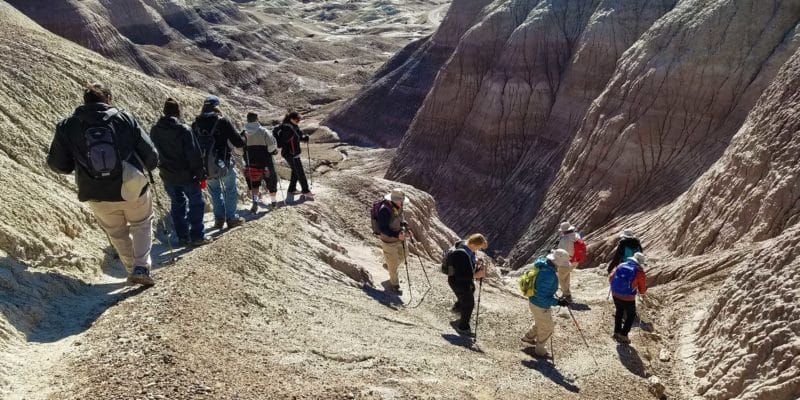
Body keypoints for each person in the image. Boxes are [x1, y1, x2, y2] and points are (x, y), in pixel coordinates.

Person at [47, 83, 159, 285]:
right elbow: (150, 154)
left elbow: (58, 164)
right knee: (141, 224)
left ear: (85, 101)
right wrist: (148, 167)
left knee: (117, 233)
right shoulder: (124, 118)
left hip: (96, 191)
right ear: (108, 99)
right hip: (132, 186)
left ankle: (132, 268)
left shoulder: (67, 126)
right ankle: (142, 267)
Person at [150, 98, 210, 248]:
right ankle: (197, 235)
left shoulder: (155, 130)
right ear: (178, 111)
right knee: (196, 203)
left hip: (167, 175)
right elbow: (194, 154)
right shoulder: (184, 129)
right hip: (187, 175)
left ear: (164, 112)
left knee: (177, 204)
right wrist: (200, 173)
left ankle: (183, 236)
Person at [192, 95, 246, 229]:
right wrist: (243, 139)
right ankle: (231, 218)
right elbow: (238, 142)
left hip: (206, 166)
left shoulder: (195, 124)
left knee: (215, 192)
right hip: (224, 162)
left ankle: (219, 219)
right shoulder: (222, 121)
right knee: (230, 190)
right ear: (216, 107)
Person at [521, 249, 570, 357]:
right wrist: (557, 302)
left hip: (533, 301)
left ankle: (528, 338)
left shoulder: (543, 264)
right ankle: (540, 350)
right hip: (540, 305)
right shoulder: (549, 275)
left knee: (540, 322)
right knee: (548, 327)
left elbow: (541, 290)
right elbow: (542, 297)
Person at [447, 234, 488, 337]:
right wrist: (476, 275)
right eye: (478, 247)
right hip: (459, 283)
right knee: (469, 304)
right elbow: (461, 275)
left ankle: (457, 308)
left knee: (470, 291)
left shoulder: (465, 245)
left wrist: (475, 262)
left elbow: (465, 266)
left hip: (457, 281)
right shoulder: (462, 254)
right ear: (473, 244)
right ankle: (463, 327)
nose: (478, 250)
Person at [242, 112, 279, 212]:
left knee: (254, 184)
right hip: (266, 162)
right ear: (257, 119)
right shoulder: (264, 131)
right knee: (271, 182)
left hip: (251, 163)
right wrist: (274, 151)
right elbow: (271, 147)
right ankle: (274, 203)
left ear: (247, 119)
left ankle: (255, 204)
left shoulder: (243, 133)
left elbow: (239, 149)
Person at [609, 252, 648, 344]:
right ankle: (624, 335)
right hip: (628, 297)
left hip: (615, 294)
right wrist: (642, 292)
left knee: (619, 311)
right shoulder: (639, 271)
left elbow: (610, 278)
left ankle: (616, 332)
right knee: (631, 315)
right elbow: (642, 290)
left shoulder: (621, 265)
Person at [274, 111, 314, 200]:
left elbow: (299, 136)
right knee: (300, 172)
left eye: (299, 120)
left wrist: (304, 138)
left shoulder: (293, 126)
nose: (298, 121)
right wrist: (302, 138)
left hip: (292, 153)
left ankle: (291, 189)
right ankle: (306, 191)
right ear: (291, 119)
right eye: (297, 120)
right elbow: (294, 137)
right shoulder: (287, 128)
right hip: (290, 154)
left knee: (295, 171)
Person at [376, 189, 408, 293]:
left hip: (399, 238)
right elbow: (383, 228)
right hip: (389, 241)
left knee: (404, 255)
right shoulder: (384, 210)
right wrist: (396, 235)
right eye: (400, 201)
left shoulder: (398, 206)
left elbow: (400, 220)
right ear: (393, 200)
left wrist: (404, 228)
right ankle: (394, 285)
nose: (402, 202)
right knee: (393, 264)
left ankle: (389, 266)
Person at [556, 221, 581, 302]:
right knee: (566, 275)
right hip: (575, 260)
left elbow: (560, 252)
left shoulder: (564, 240)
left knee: (562, 278)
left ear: (564, 231)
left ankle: (566, 295)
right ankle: (567, 293)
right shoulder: (576, 236)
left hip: (566, 262)